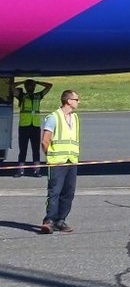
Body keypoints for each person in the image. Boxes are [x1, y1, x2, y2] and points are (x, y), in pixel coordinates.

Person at [38, 88, 81, 234]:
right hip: (57, 162)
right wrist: (50, 156)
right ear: (68, 101)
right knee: (54, 192)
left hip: (71, 160)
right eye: (76, 99)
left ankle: (60, 220)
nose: (78, 102)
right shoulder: (54, 117)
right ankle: (49, 220)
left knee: (69, 192)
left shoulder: (75, 118)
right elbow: (45, 141)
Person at [13, 78, 51, 173]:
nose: (31, 87)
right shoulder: (22, 96)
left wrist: (38, 82)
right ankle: (20, 170)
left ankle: (36, 170)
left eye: (33, 85)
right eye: (29, 85)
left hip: (35, 126)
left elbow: (49, 86)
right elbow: (11, 86)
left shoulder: (38, 96)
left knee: (36, 149)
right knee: (23, 150)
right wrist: (22, 82)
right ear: (25, 87)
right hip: (24, 126)